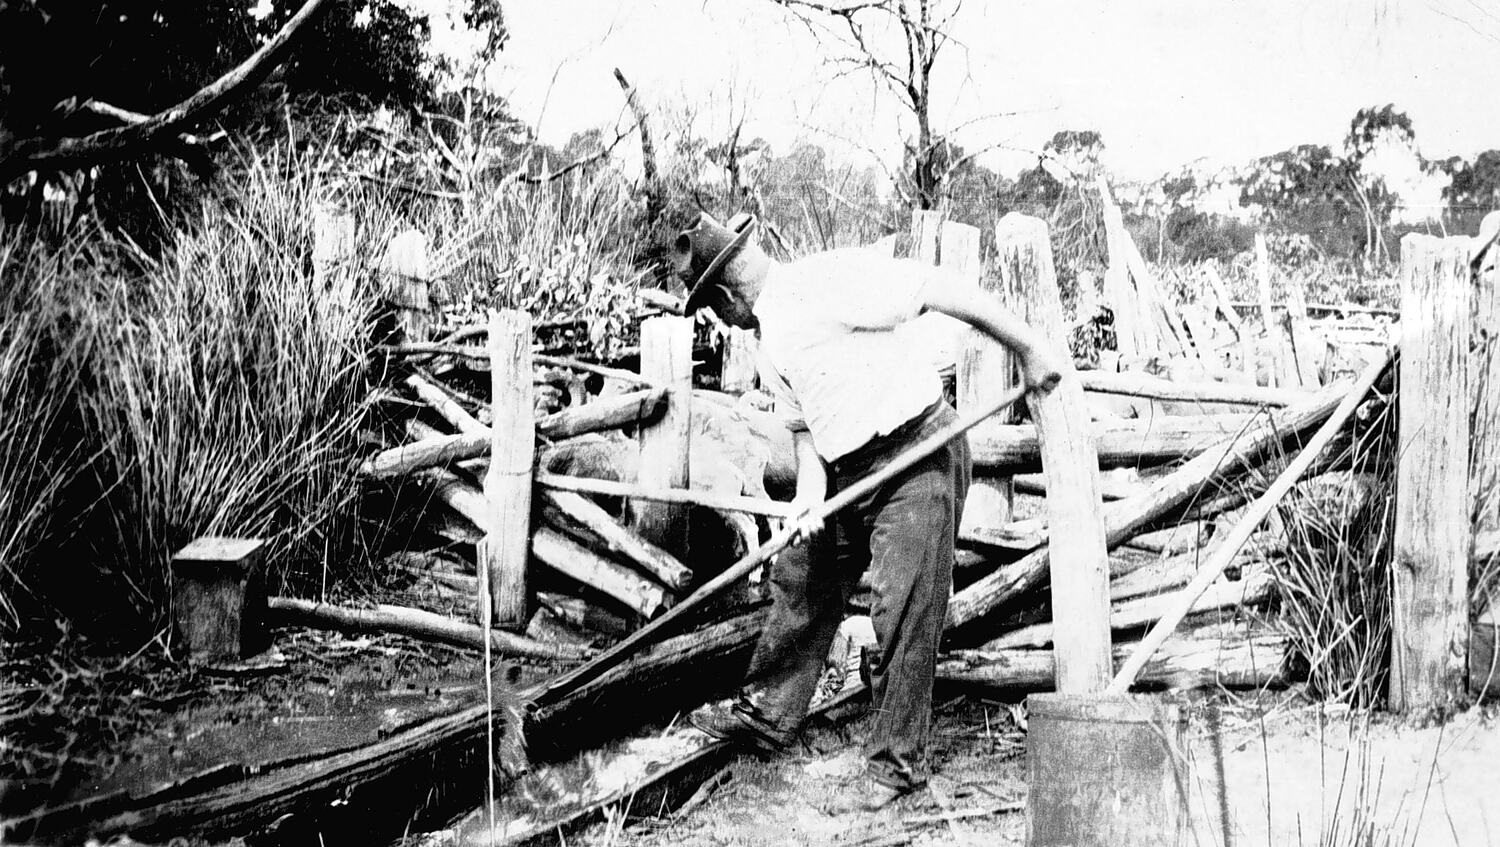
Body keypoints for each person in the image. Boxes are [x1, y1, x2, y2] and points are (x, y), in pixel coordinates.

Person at [677, 211, 1063, 812]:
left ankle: (895, 765)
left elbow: (939, 288)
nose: (719, 321)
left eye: (713, 308)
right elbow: (805, 427)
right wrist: (808, 497)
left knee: (902, 603)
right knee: (800, 572)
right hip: (846, 473)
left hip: (916, 456)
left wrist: (1030, 346)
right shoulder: (766, 339)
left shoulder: (827, 280)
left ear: (725, 294)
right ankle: (768, 714)